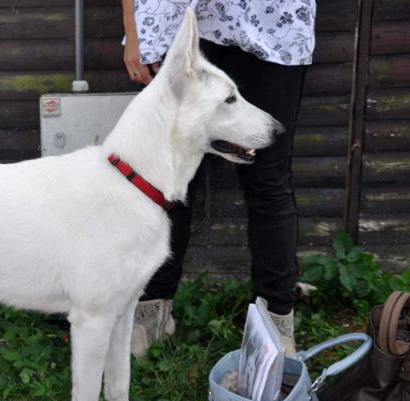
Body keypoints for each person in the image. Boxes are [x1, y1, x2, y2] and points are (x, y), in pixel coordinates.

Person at [121, 0, 316, 357]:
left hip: (272, 21)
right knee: (170, 175)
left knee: (268, 178)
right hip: (179, 21)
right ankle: (152, 310)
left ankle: (276, 322)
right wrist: (135, 32)